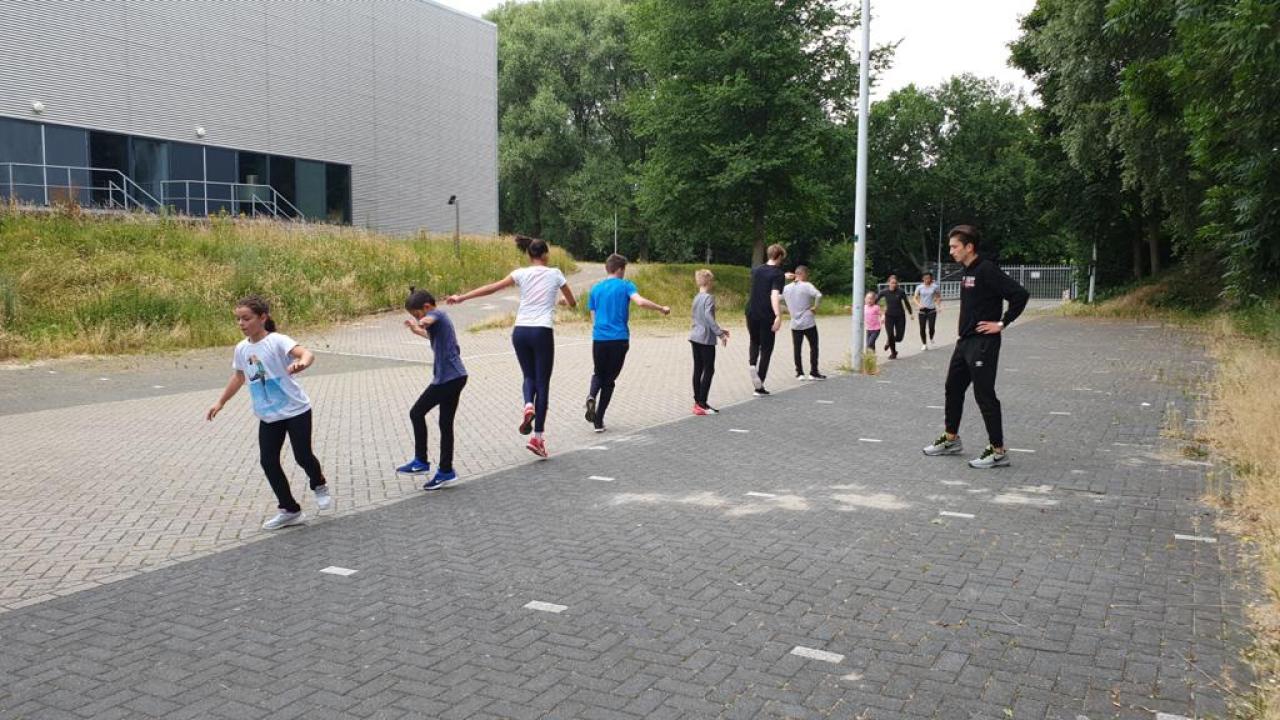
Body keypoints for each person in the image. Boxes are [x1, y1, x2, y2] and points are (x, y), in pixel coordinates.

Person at [206, 295, 331, 530]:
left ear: (262, 317)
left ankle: (319, 483)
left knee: (303, 456)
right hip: (268, 415)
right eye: (238, 319)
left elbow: (307, 354)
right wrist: (220, 402)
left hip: (295, 409)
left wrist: (301, 363)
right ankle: (290, 510)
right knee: (268, 462)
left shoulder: (277, 341)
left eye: (246, 318)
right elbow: (239, 376)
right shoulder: (242, 348)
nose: (241, 324)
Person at [447, 235, 576, 458]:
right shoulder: (555, 274)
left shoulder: (520, 274)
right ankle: (537, 438)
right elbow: (572, 302)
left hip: (520, 331)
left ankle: (527, 405)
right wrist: (565, 303)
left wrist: (462, 298)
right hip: (541, 331)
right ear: (546, 255)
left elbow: (492, 288)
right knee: (542, 383)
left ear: (529, 255)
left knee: (528, 376)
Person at [923, 225, 1030, 469]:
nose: (951, 251)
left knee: (984, 395)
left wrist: (1001, 323)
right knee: (953, 388)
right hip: (964, 341)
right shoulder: (967, 270)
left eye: (955, 247)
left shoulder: (986, 269)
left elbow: (1020, 295)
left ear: (969, 247)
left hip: (983, 343)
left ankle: (998, 451)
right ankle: (951, 439)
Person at [583, 253, 671, 433]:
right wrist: (661, 308)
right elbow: (640, 302)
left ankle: (591, 395)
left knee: (598, 373)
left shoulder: (595, 288)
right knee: (609, 381)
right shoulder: (626, 285)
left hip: (599, 338)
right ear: (620, 269)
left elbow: (593, 316)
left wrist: (599, 330)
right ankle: (598, 421)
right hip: (619, 339)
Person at [396, 288, 468, 490]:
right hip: (455, 376)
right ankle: (446, 471)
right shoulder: (438, 321)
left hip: (448, 379)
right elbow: (432, 336)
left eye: (417, 314)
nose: (417, 318)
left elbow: (429, 320)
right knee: (445, 424)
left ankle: (421, 461)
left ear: (427, 306)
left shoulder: (437, 314)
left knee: (416, 412)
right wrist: (416, 329)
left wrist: (422, 322)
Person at [745, 243, 787, 396]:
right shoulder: (778, 274)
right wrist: (778, 316)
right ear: (779, 256)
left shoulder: (756, 270)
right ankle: (759, 385)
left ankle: (752, 364)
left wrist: (784, 276)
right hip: (766, 314)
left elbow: (764, 282)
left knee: (754, 341)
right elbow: (774, 295)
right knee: (767, 349)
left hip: (751, 311)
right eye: (782, 258)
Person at [690, 268, 730, 415]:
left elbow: (700, 318)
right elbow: (708, 316)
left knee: (698, 369)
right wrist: (720, 334)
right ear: (708, 282)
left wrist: (720, 329)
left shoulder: (696, 298)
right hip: (705, 339)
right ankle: (702, 403)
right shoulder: (709, 298)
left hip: (694, 336)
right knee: (709, 369)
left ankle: (698, 402)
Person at [782, 265, 826, 380]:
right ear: (803, 274)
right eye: (807, 274)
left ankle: (800, 373)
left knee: (797, 349)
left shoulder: (786, 288)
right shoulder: (807, 285)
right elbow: (819, 295)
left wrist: (787, 309)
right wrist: (815, 307)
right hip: (808, 321)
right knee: (814, 346)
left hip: (795, 323)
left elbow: (777, 298)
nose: (807, 277)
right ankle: (813, 372)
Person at [876, 274, 913, 359]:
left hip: (900, 316)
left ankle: (889, 341)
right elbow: (875, 301)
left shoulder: (901, 291)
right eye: (892, 283)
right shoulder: (884, 292)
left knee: (899, 338)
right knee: (890, 335)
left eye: (895, 283)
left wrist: (911, 313)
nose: (894, 285)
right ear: (888, 283)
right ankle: (893, 353)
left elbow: (906, 302)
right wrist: (868, 307)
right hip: (889, 316)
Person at [914, 271, 942, 350]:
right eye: (925, 278)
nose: (927, 280)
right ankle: (924, 344)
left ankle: (931, 337)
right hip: (922, 310)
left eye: (929, 278)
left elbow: (938, 296)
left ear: (931, 278)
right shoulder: (919, 287)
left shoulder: (935, 287)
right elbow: (915, 298)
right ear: (923, 279)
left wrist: (939, 306)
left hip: (932, 309)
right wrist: (919, 305)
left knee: (931, 327)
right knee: (922, 328)